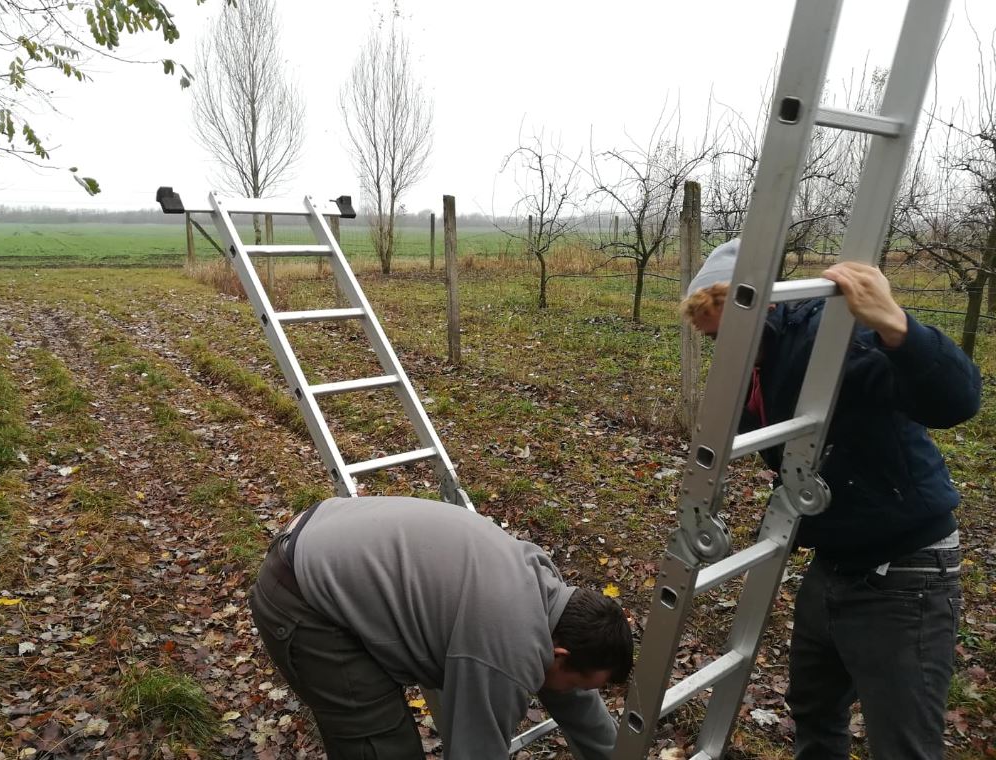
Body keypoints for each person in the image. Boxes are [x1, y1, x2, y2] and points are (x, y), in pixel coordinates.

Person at [680, 238, 982, 760]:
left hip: (903, 569)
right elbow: (803, 448)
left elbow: (957, 400)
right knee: (814, 708)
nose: (721, 347)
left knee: (903, 742)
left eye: (724, 331)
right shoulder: (756, 362)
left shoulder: (830, 334)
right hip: (835, 560)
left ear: (758, 306)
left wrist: (897, 326)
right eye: (713, 339)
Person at [248, 494, 633, 760]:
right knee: (383, 748)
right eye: (583, 682)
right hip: (300, 597)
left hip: (324, 531)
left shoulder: (550, 599)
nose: (581, 693)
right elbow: (476, 752)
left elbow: (578, 704)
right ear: (560, 655)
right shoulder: (505, 650)